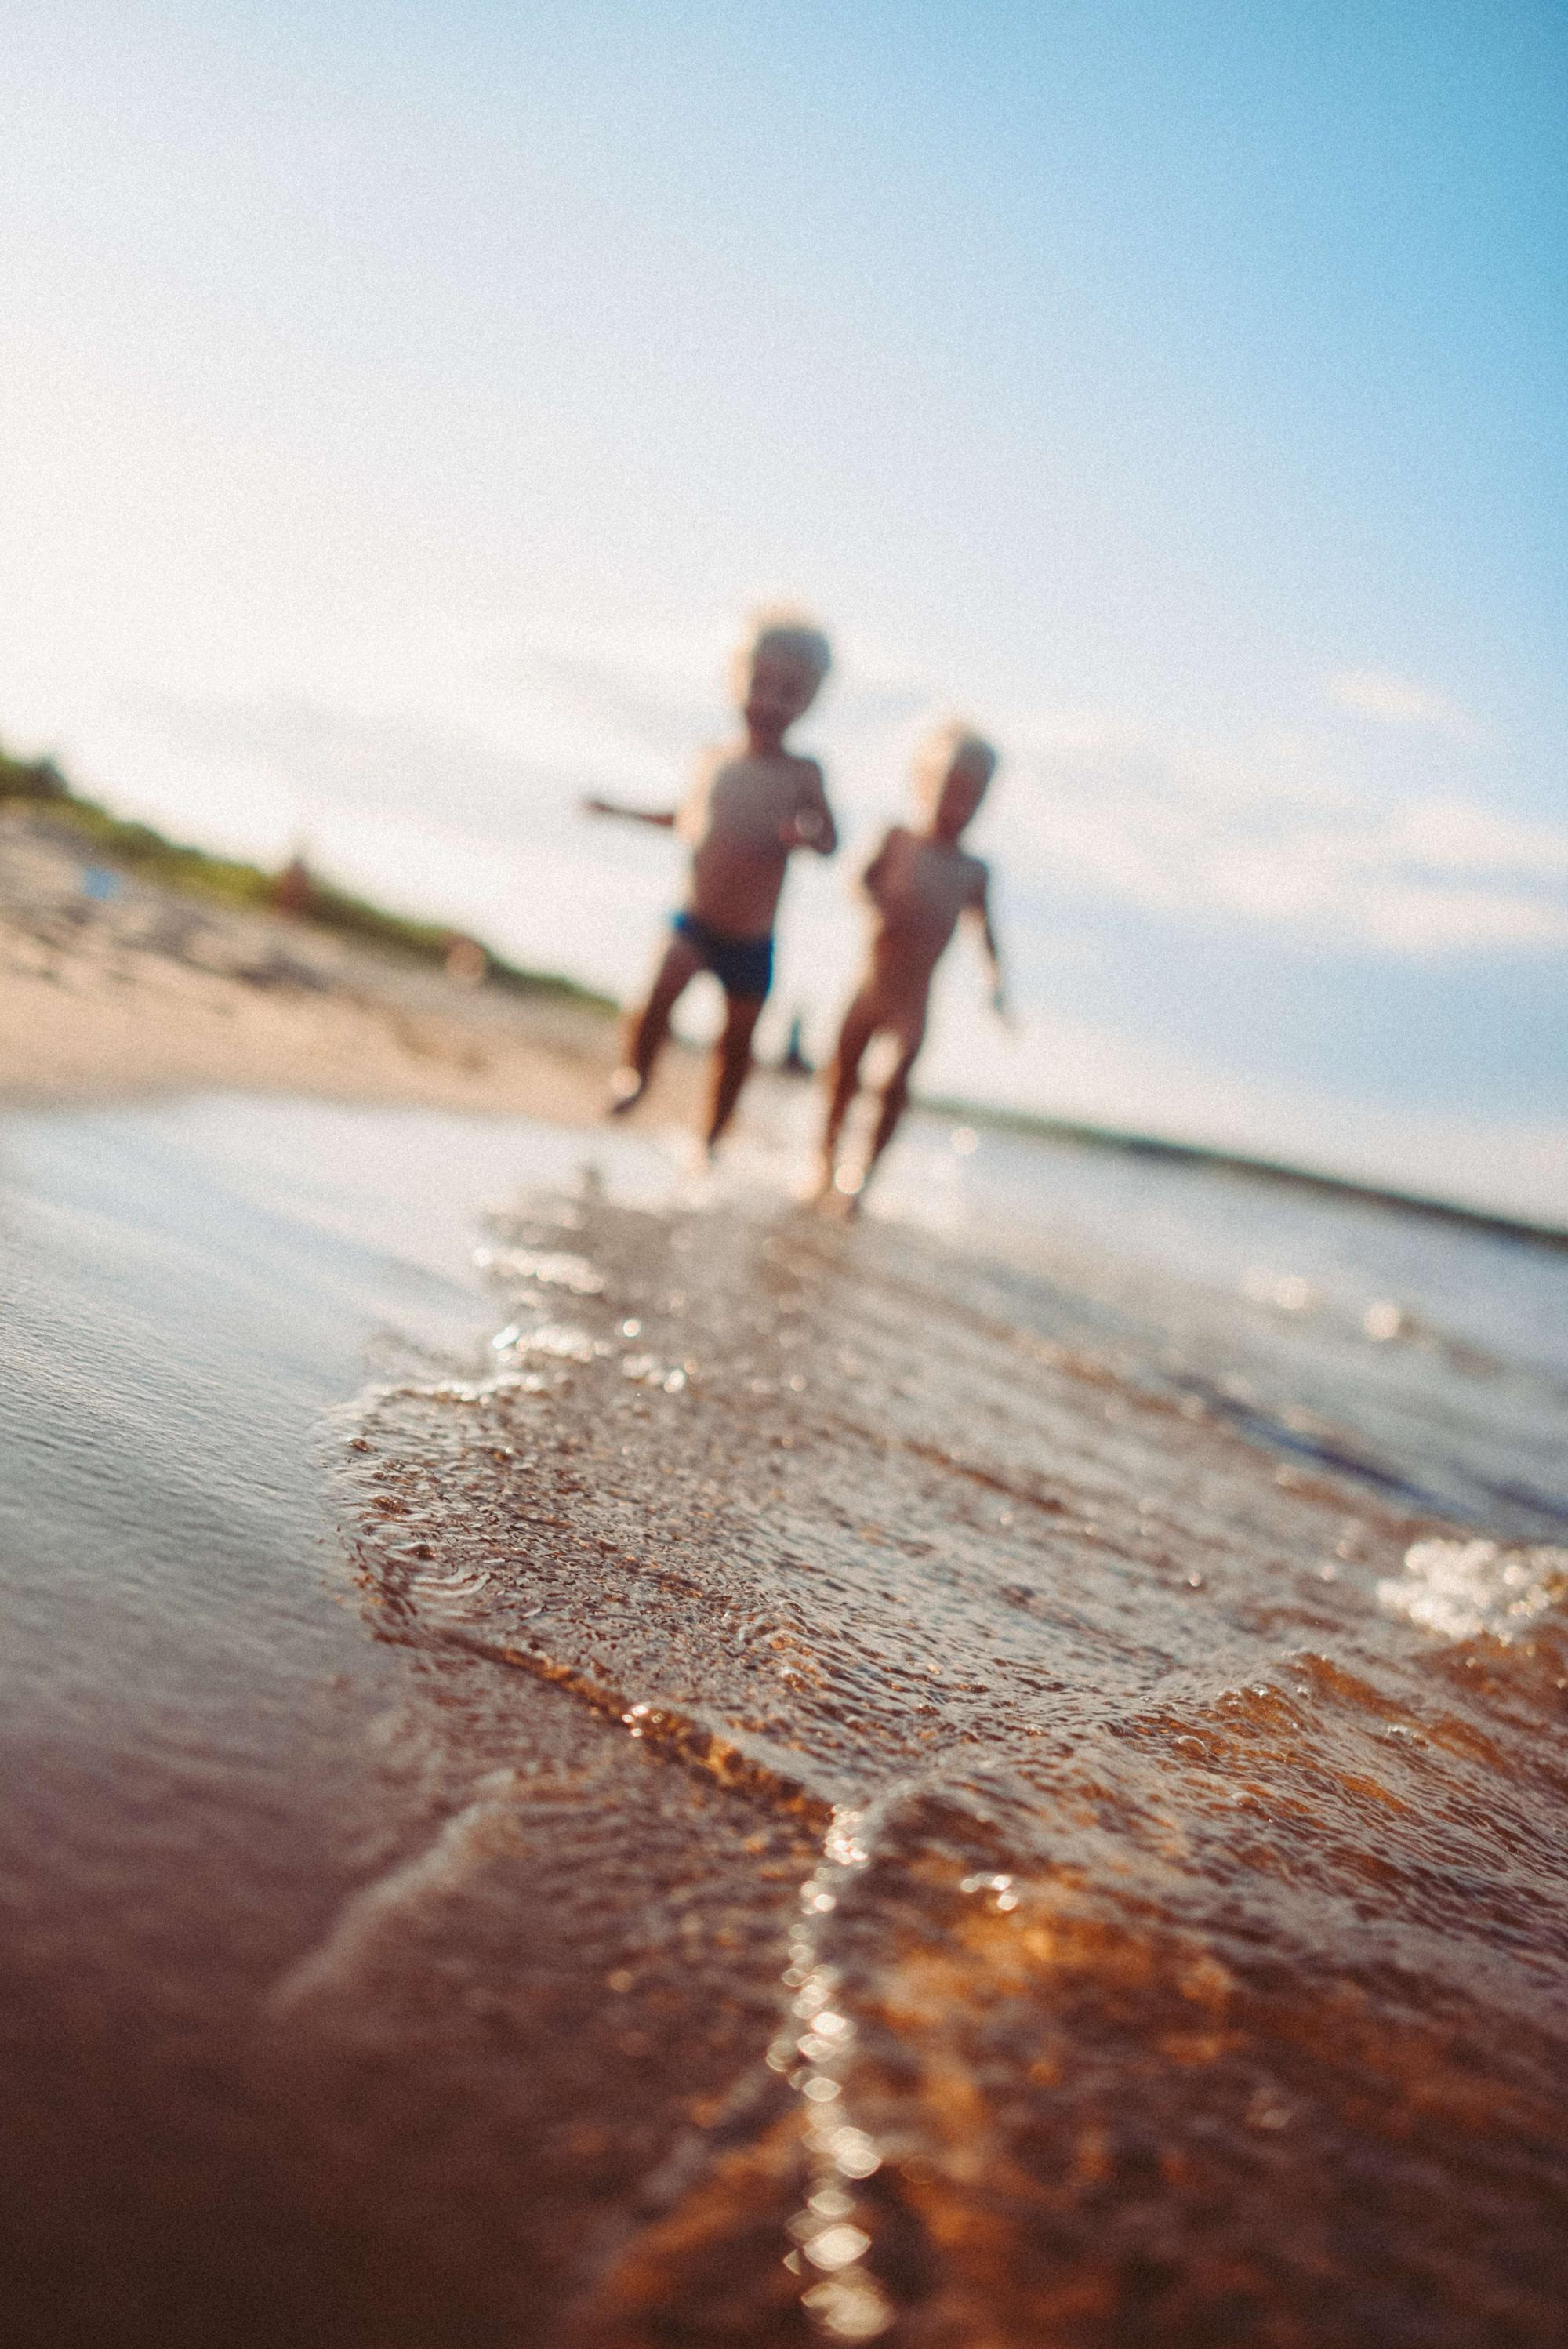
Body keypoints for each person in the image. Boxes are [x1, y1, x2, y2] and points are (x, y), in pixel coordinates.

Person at [583, 612, 837, 1153]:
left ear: (810, 702)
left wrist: (807, 834)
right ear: (736, 681)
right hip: (694, 919)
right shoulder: (713, 759)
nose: (770, 701)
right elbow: (685, 819)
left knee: (737, 1043)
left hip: (752, 939)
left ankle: (712, 1136)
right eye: (760, 685)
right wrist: (619, 812)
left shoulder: (803, 773)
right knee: (659, 990)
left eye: (789, 692)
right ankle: (636, 1075)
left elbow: (831, 841)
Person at [818, 722, 1007, 1205]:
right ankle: (824, 1162)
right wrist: (874, 903)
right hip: (868, 987)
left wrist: (995, 982)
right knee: (842, 1073)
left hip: (913, 1002)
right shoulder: (896, 838)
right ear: (923, 784)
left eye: (972, 800)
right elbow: (857, 880)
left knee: (894, 1083)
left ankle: (862, 1179)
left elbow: (985, 932)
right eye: (950, 793)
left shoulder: (972, 871)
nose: (958, 809)